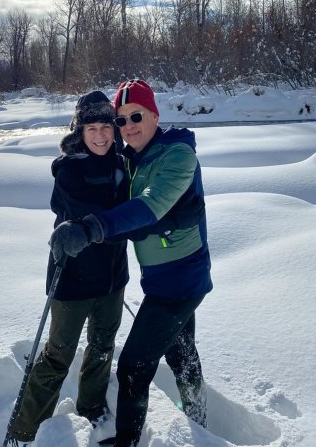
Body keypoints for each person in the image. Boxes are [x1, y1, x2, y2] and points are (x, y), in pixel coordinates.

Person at [50, 79, 213, 447]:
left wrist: (93, 228)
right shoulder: (133, 158)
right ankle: (200, 424)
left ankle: (127, 442)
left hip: (180, 282)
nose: (128, 127)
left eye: (135, 116)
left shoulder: (177, 155)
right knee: (182, 352)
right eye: (120, 121)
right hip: (160, 279)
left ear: (154, 114)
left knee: (134, 367)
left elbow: (148, 206)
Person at [9, 90, 129, 446]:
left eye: (106, 126)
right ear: (80, 131)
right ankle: (25, 429)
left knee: (103, 346)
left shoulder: (122, 165)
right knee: (58, 355)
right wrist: (118, 219)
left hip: (112, 279)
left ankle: (92, 407)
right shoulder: (68, 171)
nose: (100, 135)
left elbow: (124, 215)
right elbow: (102, 215)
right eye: (92, 127)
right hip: (72, 281)